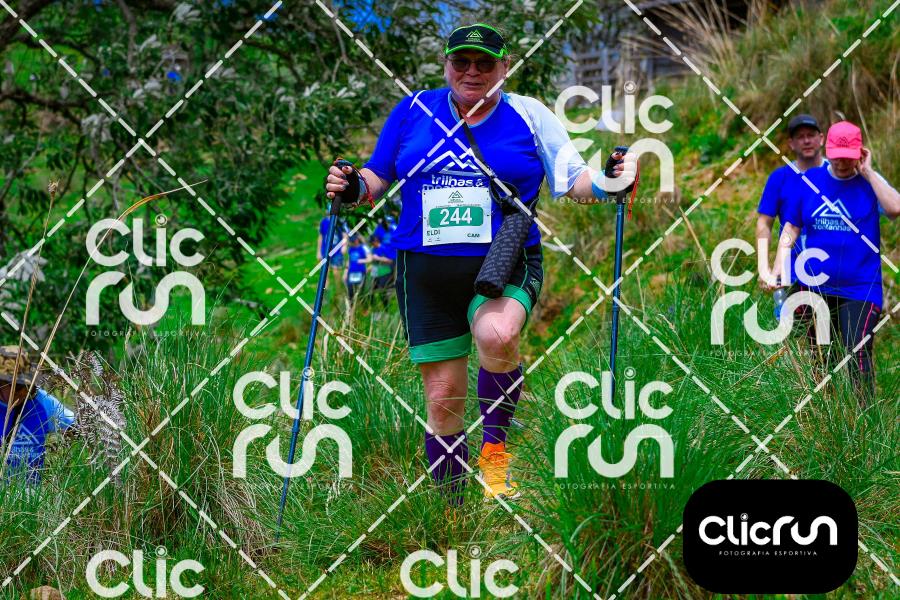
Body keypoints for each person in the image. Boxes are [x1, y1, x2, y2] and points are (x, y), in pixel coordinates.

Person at [324, 23, 635, 505]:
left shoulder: (529, 114)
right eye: (462, 62)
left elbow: (575, 182)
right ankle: (453, 509)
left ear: (504, 68)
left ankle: (495, 454)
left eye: (485, 63)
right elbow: (376, 177)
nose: (472, 72)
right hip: (425, 272)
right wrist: (350, 185)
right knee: (443, 401)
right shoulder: (413, 110)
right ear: (446, 64)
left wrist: (611, 181)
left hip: (504, 260)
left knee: (497, 335)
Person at [767, 121, 899, 402]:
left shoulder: (869, 183)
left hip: (860, 288)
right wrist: (779, 266)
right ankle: (827, 416)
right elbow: (791, 226)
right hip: (816, 286)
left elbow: (895, 208)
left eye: (848, 157)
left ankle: (865, 419)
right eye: (836, 156)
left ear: (860, 153)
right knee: (822, 357)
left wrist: (869, 172)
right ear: (827, 149)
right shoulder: (811, 181)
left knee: (856, 350)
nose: (841, 162)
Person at [756, 114, 828, 298]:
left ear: (821, 139)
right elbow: (764, 223)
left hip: (832, 272)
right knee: (787, 317)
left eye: (811, 135)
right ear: (791, 143)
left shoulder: (837, 174)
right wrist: (763, 266)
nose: (806, 141)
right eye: (800, 137)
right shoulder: (780, 178)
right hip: (789, 272)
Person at [344, 234, 369, 302]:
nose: (353, 243)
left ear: (357, 240)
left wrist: (361, 260)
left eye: (354, 241)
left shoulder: (363, 248)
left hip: (360, 272)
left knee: (360, 291)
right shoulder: (350, 249)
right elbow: (349, 261)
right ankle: (351, 306)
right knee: (350, 290)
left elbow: (369, 258)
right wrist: (345, 273)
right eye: (352, 241)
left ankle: (362, 304)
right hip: (351, 272)